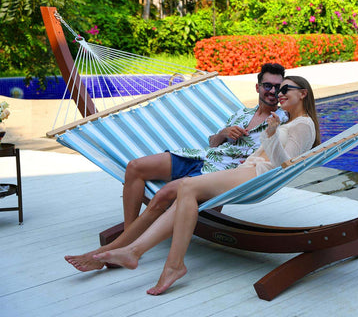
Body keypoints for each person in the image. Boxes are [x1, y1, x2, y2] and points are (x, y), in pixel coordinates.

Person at [91, 75, 321, 295]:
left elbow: (285, 164)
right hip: (247, 172)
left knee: (187, 187)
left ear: (303, 94)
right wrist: (269, 133)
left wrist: (270, 134)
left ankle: (167, 263)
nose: (279, 94)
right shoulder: (288, 121)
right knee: (186, 191)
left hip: (258, 175)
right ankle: (137, 252)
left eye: (284, 89)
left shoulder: (303, 124)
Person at [65, 63, 287, 272]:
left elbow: (281, 151)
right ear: (258, 87)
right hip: (200, 156)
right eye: (268, 85)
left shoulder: (282, 120)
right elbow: (212, 142)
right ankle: (128, 237)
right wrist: (223, 133)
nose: (273, 91)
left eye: (278, 87)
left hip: (217, 174)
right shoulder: (243, 113)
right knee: (134, 167)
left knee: (163, 195)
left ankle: (109, 251)